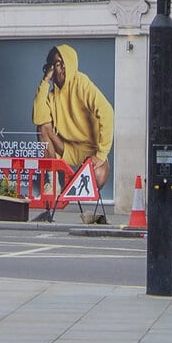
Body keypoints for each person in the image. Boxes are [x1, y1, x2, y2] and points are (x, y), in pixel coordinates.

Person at [33, 44, 113, 221]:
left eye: (62, 63)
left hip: (90, 150)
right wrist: (45, 82)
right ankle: (53, 180)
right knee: (42, 127)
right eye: (55, 64)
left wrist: (101, 154)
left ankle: (91, 211)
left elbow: (107, 112)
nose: (59, 68)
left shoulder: (81, 83)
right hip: (66, 148)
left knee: (98, 178)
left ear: (70, 64)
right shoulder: (51, 95)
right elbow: (39, 119)